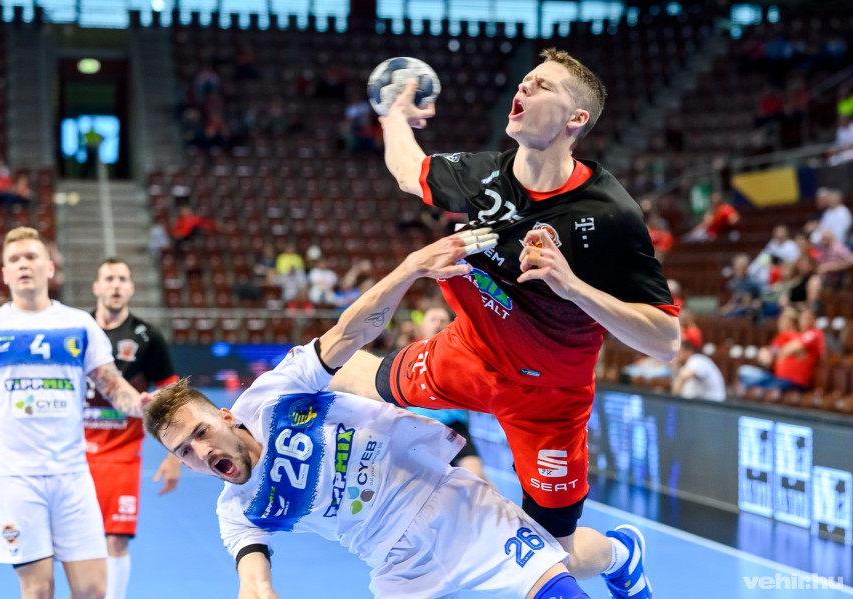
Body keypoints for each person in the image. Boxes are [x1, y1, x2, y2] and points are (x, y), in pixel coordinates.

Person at [333, 48, 679, 597]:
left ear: (575, 119)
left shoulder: (611, 215)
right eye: (525, 80)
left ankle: (620, 554)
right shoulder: (483, 176)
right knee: (344, 373)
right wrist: (393, 116)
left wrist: (573, 286)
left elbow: (665, 341)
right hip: (467, 354)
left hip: (549, 400)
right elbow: (407, 172)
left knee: (551, 554)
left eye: (543, 86)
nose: (524, 88)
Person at [143, 229, 593, 599]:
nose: (200, 451)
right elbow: (255, 584)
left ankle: (618, 556)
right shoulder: (237, 511)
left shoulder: (272, 394)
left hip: (444, 500)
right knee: (561, 552)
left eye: (200, 432)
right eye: (184, 451)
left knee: (561, 583)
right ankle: (617, 554)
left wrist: (410, 267)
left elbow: (349, 333)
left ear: (226, 417)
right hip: (396, 564)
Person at [0, 227, 151, 599]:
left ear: (49, 267)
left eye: (31, 257)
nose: (23, 264)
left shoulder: (79, 324)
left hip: (72, 475)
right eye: (14, 259)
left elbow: (113, 386)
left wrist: (143, 406)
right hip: (13, 477)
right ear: (4, 273)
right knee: (38, 590)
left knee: (94, 589)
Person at [84, 258, 181, 599]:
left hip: (122, 453)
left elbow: (172, 396)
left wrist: (174, 456)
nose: (115, 284)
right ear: (97, 287)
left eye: (122, 279)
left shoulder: (147, 337)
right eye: (109, 278)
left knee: (116, 539)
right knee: (75, 540)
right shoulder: (79, 331)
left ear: (131, 288)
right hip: (75, 454)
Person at [403, 305, 491, 483]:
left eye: (442, 320)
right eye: (433, 320)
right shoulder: (408, 354)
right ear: (423, 326)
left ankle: (501, 503)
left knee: (477, 478)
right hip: (420, 426)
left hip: (454, 427)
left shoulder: (463, 353)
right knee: (420, 483)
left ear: (450, 325)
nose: (438, 324)